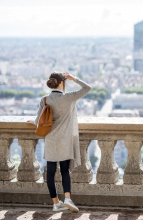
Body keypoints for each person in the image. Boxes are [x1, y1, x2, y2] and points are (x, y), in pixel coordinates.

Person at [27, 72, 91, 212]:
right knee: (64, 171)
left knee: (50, 172)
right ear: (62, 83)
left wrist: (32, 122)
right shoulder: (69, 97)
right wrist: (74, 78)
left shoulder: (45, 100)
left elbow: (38, 121)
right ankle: (67, 198)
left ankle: (56, 203)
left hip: (50, 140)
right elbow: (87, 88)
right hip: (65, 140)